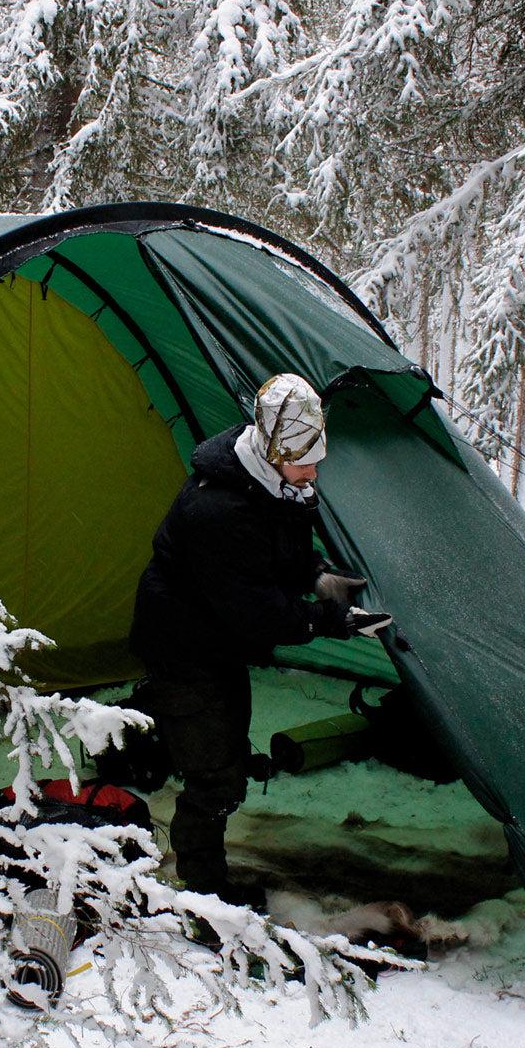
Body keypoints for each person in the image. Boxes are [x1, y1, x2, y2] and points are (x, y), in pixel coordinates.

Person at [129, 373, 391, 905]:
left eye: (316, 458)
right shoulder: (217, 510)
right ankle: (203, 895)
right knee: (215, 780)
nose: (313, 472)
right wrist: (329, 620)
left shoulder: (272, 480)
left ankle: (202, 832)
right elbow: (256, 611)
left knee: (224, 742)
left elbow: (275, 547)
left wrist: (317, 574)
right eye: (304, 461)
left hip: (216, 638)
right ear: (273, 451)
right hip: (183, 646)